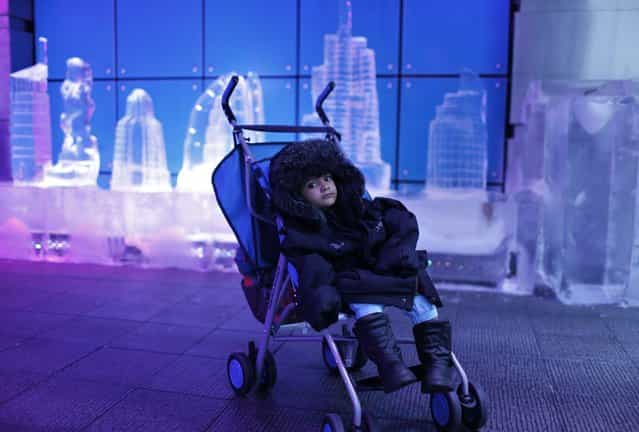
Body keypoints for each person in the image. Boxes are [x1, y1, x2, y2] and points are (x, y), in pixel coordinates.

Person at [268, 138, 455, 394]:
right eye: (312, 185)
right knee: (366, 303)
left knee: (422, 298)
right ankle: (392, 366)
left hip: (385, 268)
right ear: (297, 198)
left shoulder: (361, 209)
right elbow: (314, 269)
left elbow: (399, 220)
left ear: (339, 179)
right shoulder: (306, 233)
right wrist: (322, 298)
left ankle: (437, 366)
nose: (324, 187)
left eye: (326, 178)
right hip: (355, 283)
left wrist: (397, 253)